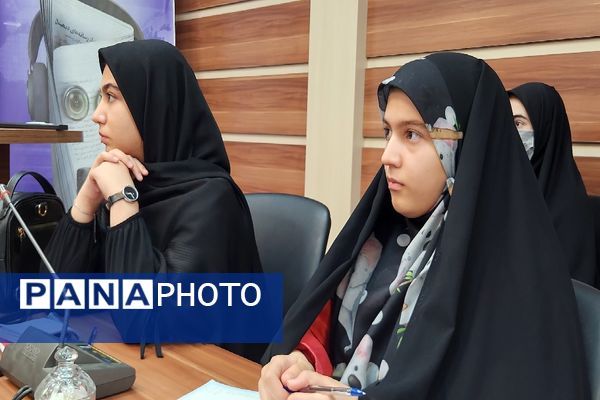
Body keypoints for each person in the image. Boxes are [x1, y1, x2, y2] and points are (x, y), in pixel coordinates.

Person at [259, 53, 590, 399]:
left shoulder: (514, 273)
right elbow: (322, 325)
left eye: (413, 134)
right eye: (388, 132)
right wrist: (301, 361)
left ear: (466, 144)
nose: (388, 155)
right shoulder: (380, 235)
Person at [43, 39, 263, 358]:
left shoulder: (212, 200)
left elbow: (146, 326)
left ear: (156, 106)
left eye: (111, 97)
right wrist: (86, 202)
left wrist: (123, 200)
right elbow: (52, 299)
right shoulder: (127, 179)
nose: (97, 115)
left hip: (203, 374)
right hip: (135, 363)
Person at [509, 83, 596, 286]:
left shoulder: (570, 213)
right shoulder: (501, 194)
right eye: (505, 122)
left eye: (518, 123)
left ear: (545, 129)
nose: (508, 132)